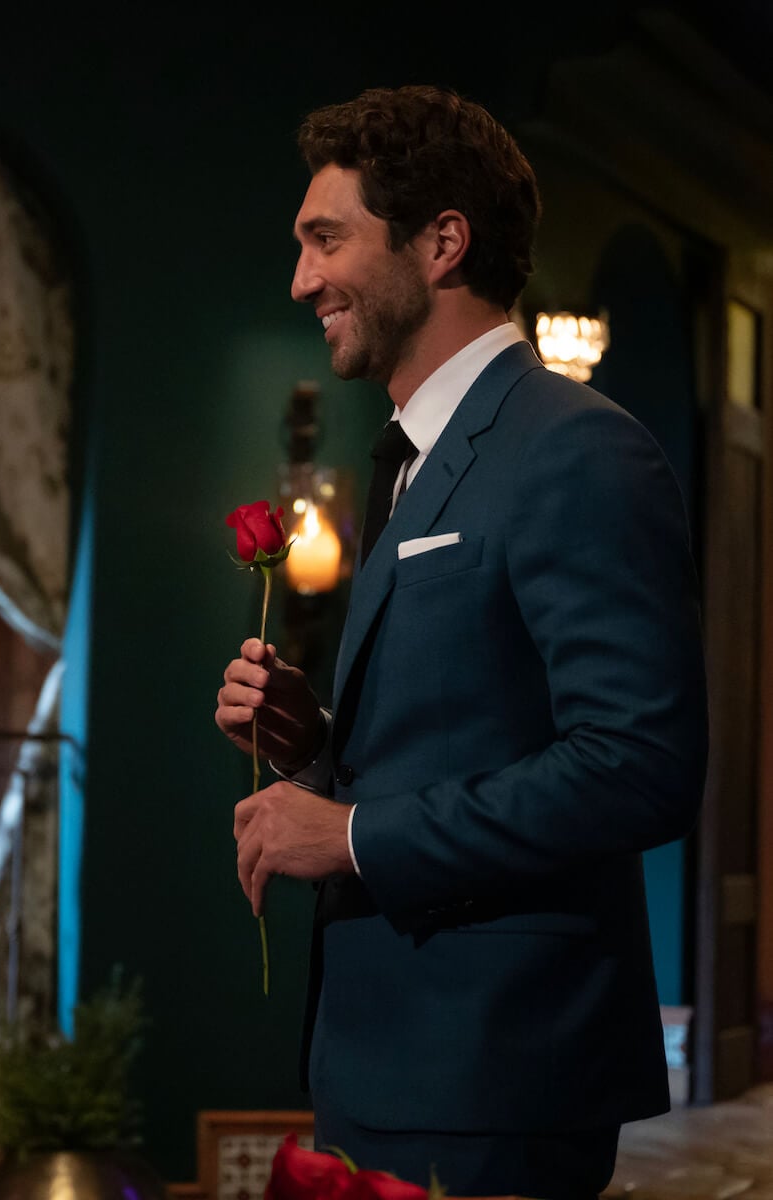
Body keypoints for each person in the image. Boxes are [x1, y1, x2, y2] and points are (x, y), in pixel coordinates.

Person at [213, 86, 707, 1197]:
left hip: (498, 1074)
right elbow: (465, 732)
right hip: (381, 1062)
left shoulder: (578, 449)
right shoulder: (408, 458)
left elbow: (641, 767)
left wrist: (353, 837)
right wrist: (314, 747)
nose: (301, 280)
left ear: (442, 243)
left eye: (326, 240)